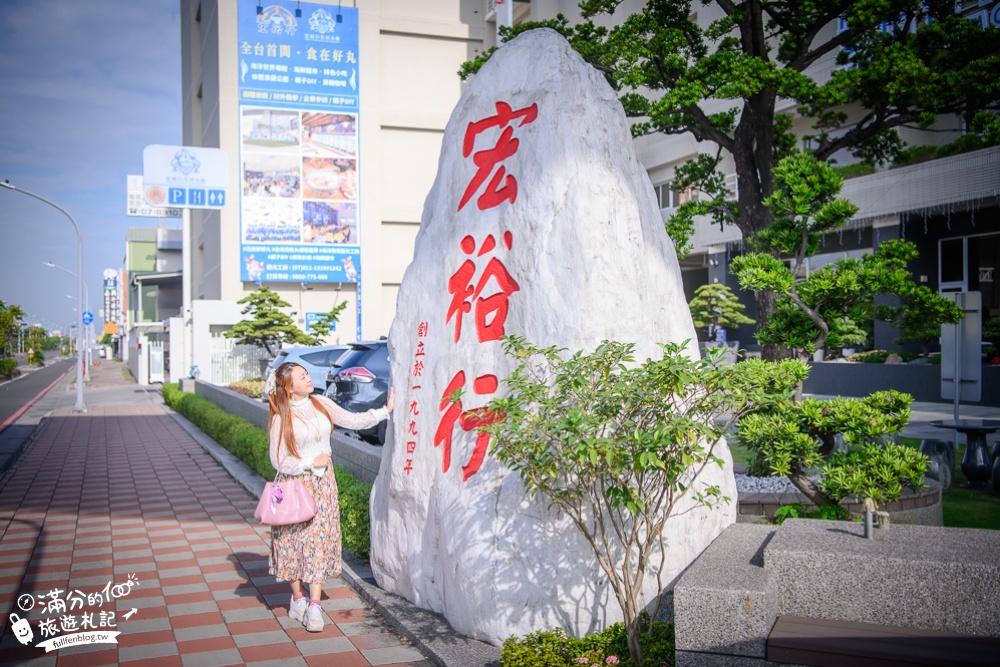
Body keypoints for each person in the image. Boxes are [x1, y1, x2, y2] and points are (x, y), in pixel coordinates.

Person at [264, 362, 394, 632]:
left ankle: (314, 605)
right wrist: (310, 462)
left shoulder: (321, 403)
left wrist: (385, 411)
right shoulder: (281, 416)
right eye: (302, 377)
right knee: (291, 541)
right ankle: (298, 597)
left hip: (324, 486)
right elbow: (278, 460)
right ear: (289, 388)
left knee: (317, 541)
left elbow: (352, 420)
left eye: (307, 374)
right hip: (293, 486)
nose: (309, 379)